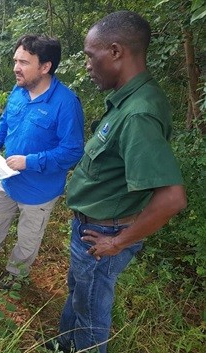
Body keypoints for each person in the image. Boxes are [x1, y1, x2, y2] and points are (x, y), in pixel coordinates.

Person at [47, 11, 187, 353]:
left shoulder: (138, 113)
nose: (86, 66)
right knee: (79, 294)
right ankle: (64, 345)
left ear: (115, 51)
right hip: (91, 228)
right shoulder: (128, 100)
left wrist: (118, 242)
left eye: (90, 56)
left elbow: (172, 199)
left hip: (104, 236)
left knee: (91, 315)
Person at [0, 34, 85, 290]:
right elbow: (4, 125)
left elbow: (73, 151)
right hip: (8, 180)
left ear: (45, 67)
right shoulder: (19, 91)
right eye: (15, 60)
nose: (15, 68)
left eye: (24, 62)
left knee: (28, 238)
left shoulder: (66, 103)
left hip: (39, 190)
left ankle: (15, 275)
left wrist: (29, 162)